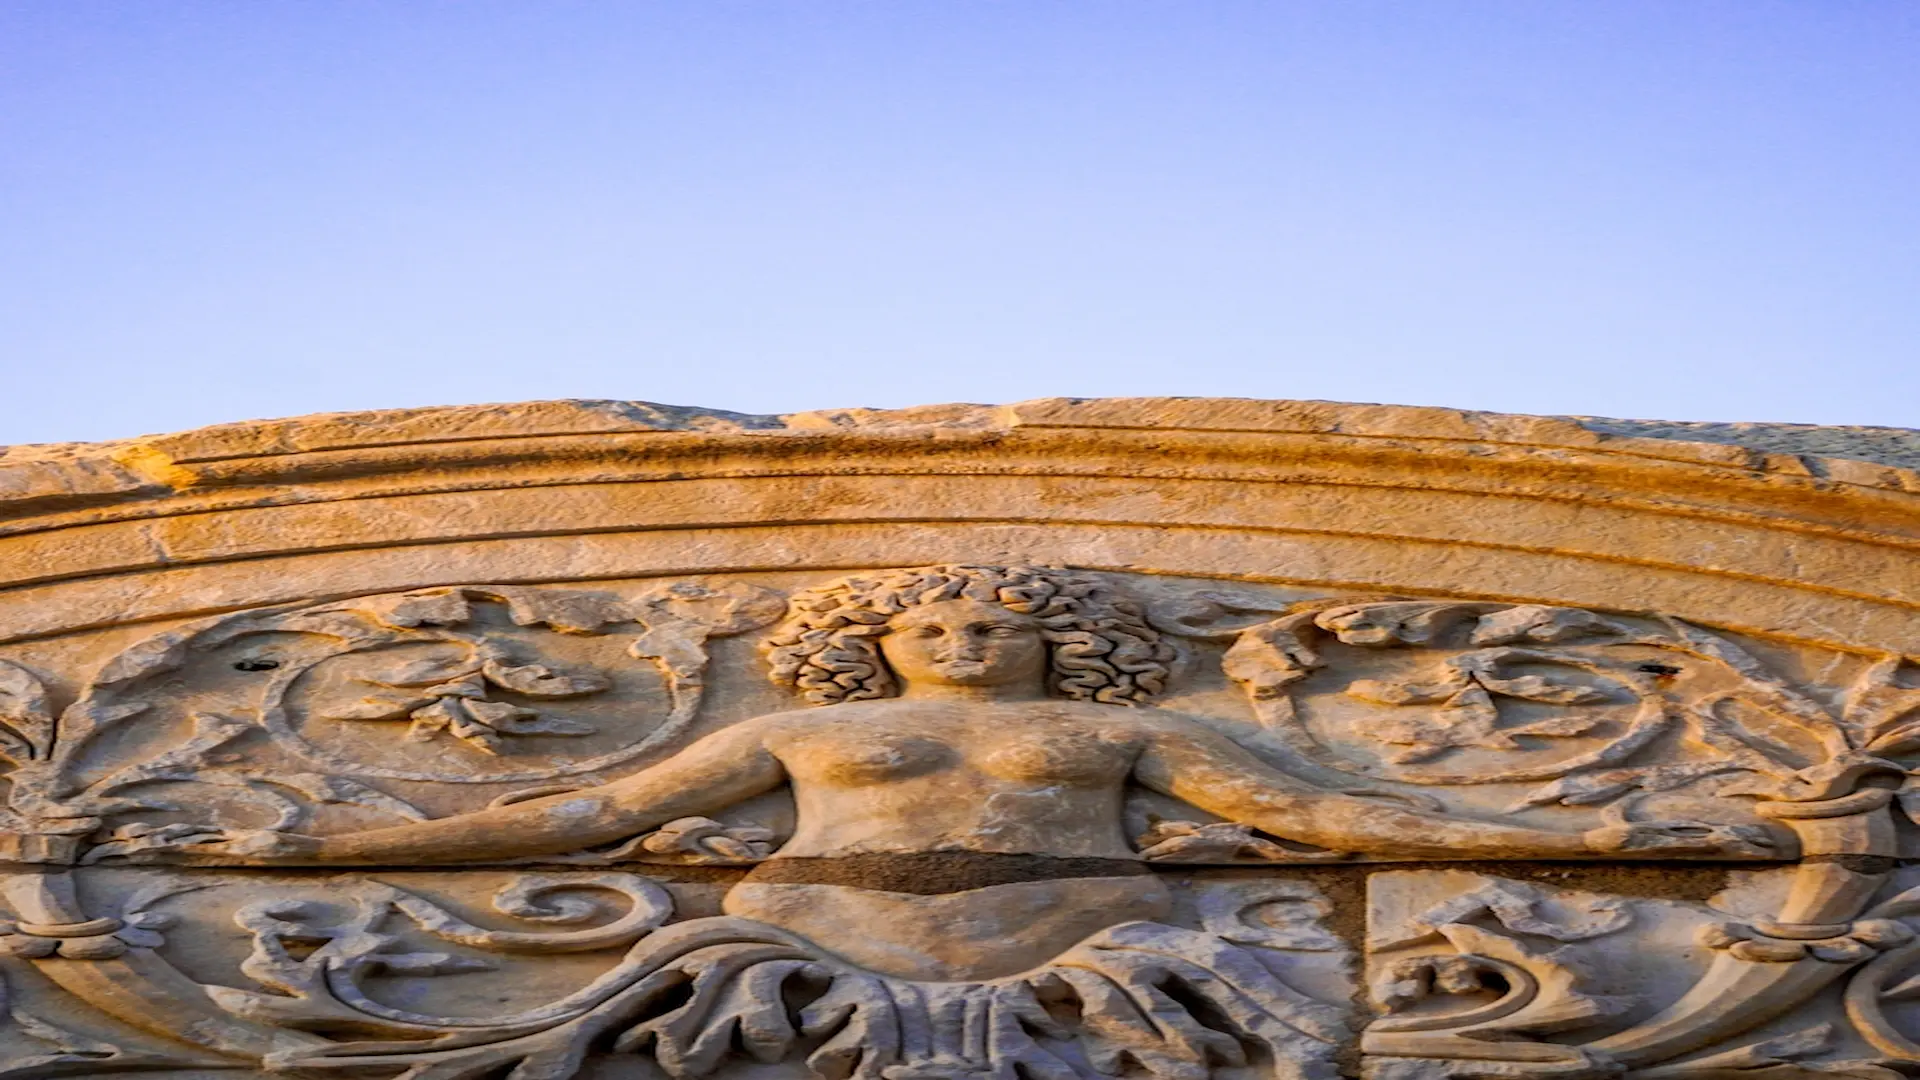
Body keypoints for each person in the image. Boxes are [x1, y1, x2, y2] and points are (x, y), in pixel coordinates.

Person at [183, 565, 1776, 979]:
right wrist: (321, 851)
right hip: (791, 943)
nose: (959, 635)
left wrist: (1616, 835)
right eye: (929, 619)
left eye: (997, 620)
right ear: (869, 643)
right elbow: (598, 813)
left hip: (1093, 943)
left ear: (1061, 640)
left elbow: (1319, 813)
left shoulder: (1128, 733)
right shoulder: (795, 734)